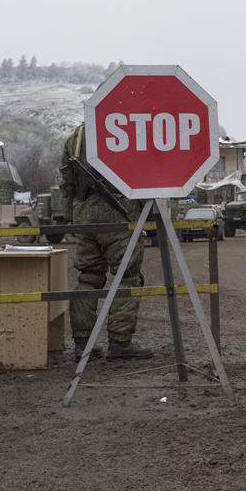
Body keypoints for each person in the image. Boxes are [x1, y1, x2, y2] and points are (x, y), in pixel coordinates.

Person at [59, 123, 153, 362]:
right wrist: (147, 213)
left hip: (85, 217)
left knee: (88, 277)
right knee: (127, 277)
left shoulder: (77, 136)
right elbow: (144, 172)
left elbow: (66, 180)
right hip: (119, 214)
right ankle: (120, 343)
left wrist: (73, 215)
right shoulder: (128, 127)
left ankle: (82, 345)